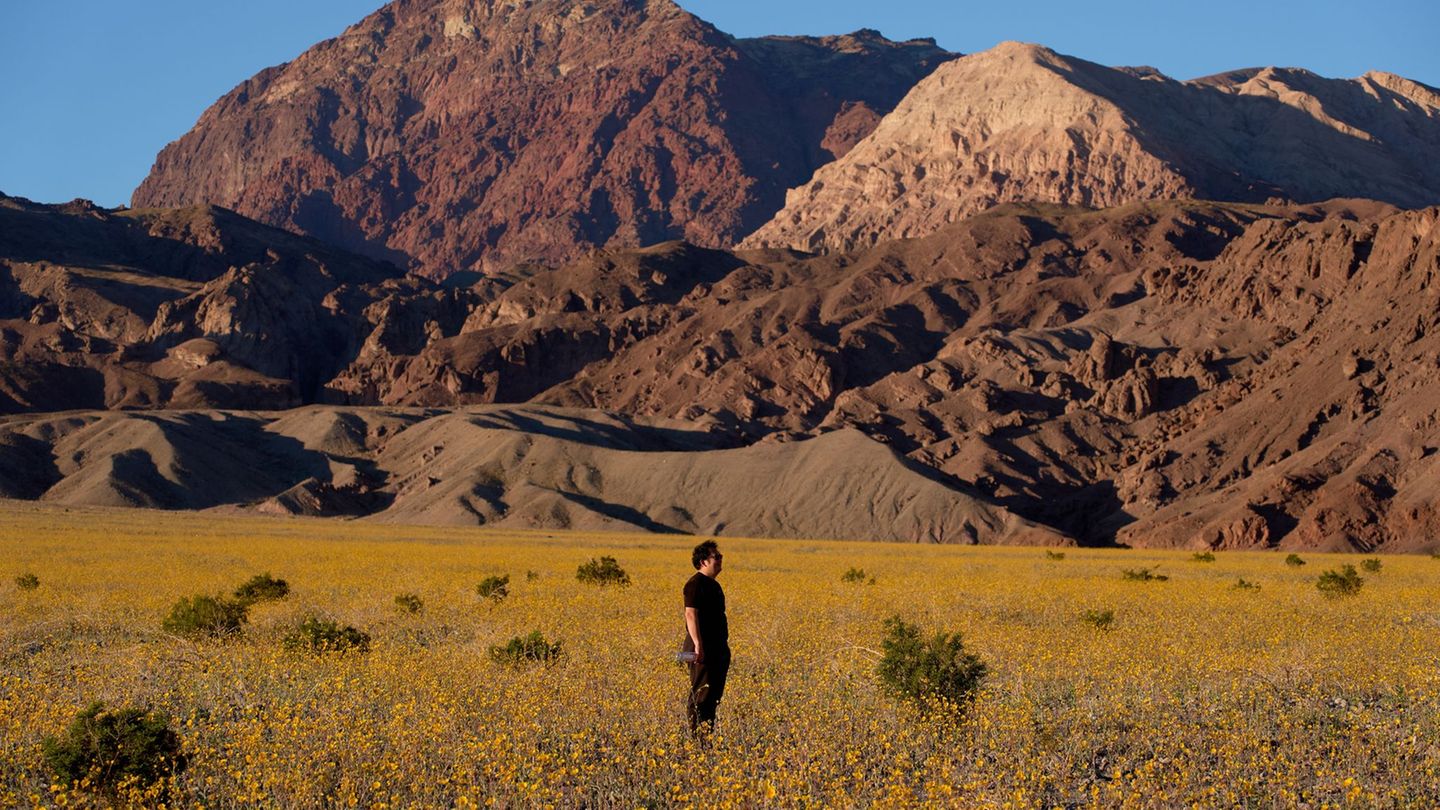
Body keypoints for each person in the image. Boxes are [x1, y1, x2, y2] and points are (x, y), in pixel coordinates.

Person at [683, 540, 729, 733]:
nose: (720, 560)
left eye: (720, 556)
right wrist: (697, 645)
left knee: (713, 695)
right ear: (703, 561)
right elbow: (690, 614)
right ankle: (697, 739)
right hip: (701, 649)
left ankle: (707, 736)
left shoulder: (713, 585)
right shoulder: (695, 584)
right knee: (702, 694)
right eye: (716, 557)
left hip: (717, 648)